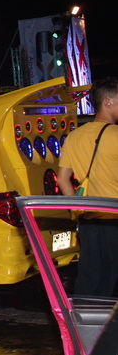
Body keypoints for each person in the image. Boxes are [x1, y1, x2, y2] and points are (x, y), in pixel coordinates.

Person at [59, 78, 118, 296]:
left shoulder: (74, 137)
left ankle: (84, 316)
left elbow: (62, 179)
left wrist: (77, 210)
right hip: (115, 216)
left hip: (89, 219)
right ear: (108, 102)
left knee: (92, 278)